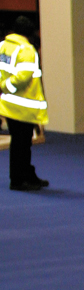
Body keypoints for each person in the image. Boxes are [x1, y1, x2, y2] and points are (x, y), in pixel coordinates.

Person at [1, 16, 49, 191]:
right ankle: (19, 179)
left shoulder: (3, 46)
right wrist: (7, 86)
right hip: (23, 105)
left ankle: (26, 175)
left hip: (8, 104)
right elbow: (23, 77)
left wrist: (3, 87)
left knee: (20, 143)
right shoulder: (27, 50)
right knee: (22, 144)